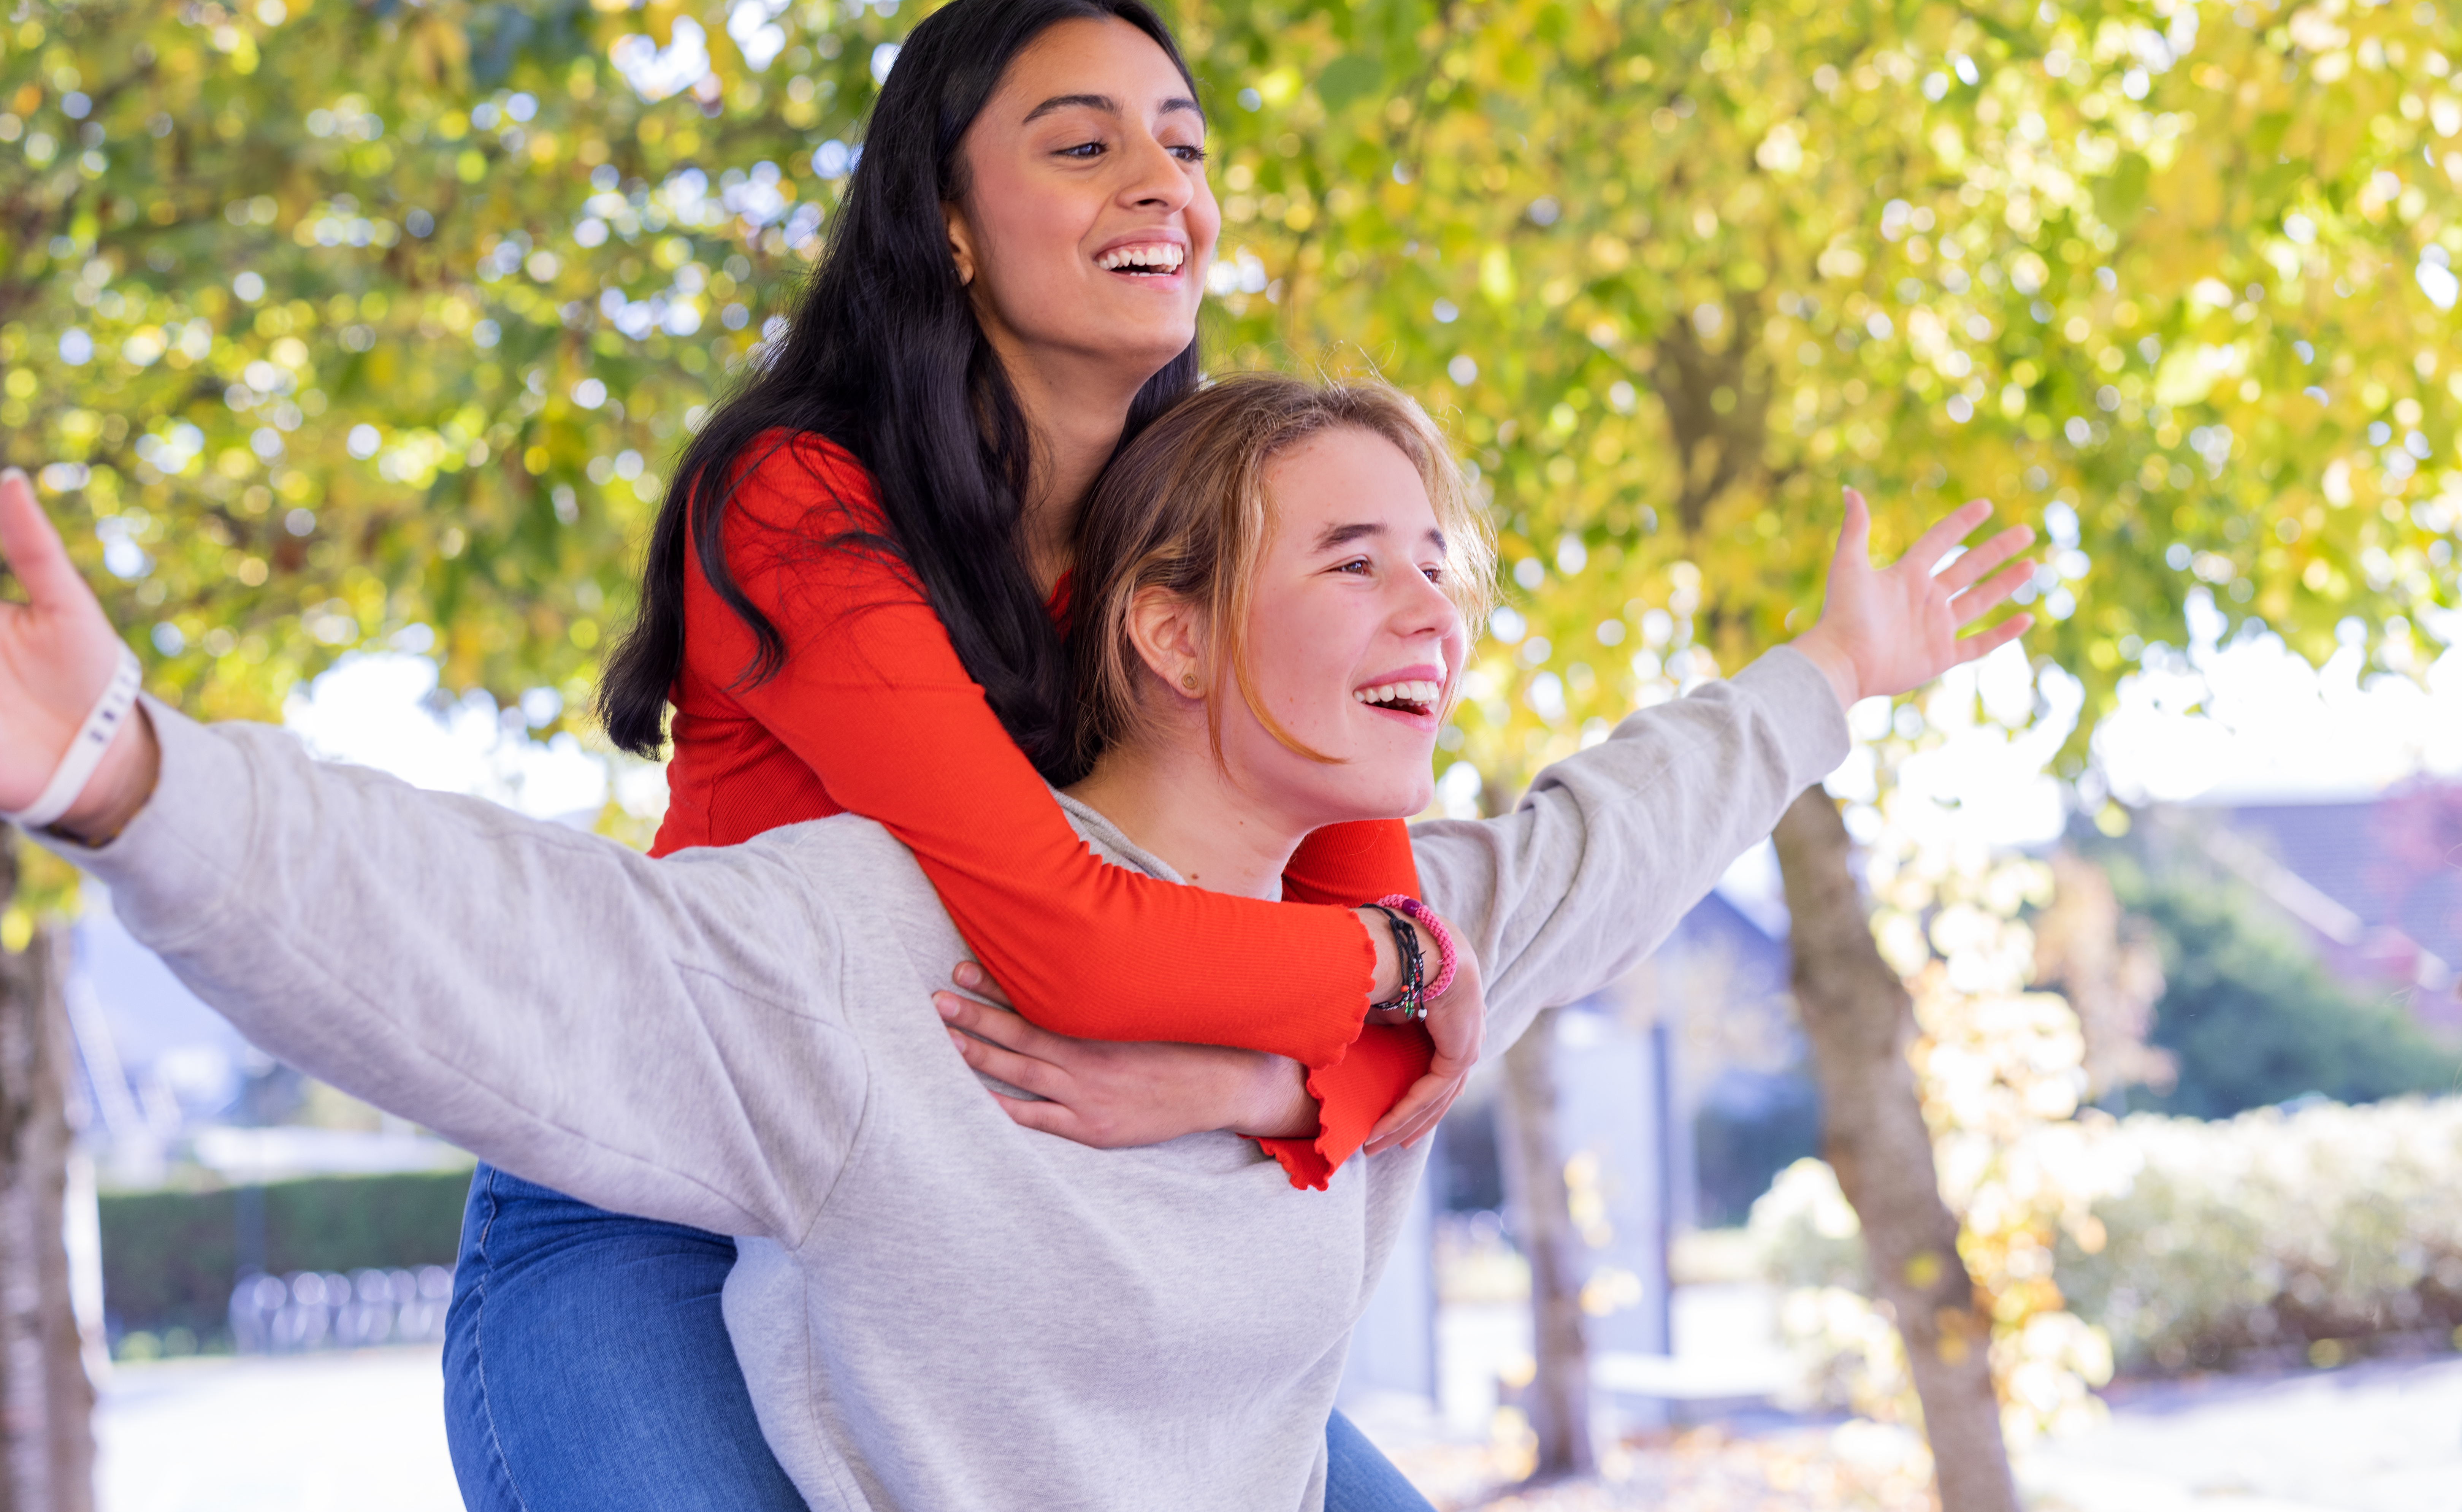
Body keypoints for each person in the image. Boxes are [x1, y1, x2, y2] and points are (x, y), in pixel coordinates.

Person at [0, 369, 2035, 1510]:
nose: (1437, 612)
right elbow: (505, 939)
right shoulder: (881, 945)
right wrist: (129, 772)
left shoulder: (1411, 923)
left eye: (1447, 566)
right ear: (1162, 624)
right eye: (1356, 558)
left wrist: (1838, 670)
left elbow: (1630, 818)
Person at [452, 0, 1484, 1511]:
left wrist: (1247, 1082)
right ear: (945, 221)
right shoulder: (794, 499)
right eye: (1082, 146)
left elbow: (1368, 1021)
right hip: (655, 1191)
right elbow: (1097, 948)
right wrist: (1408, 978)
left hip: (992, 1221)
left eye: (1185, 149)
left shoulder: (1205, 545)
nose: (1160, 185)